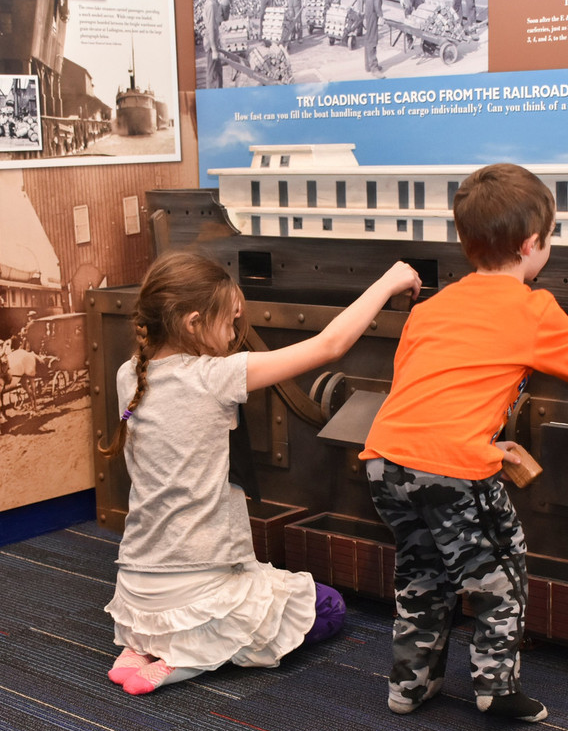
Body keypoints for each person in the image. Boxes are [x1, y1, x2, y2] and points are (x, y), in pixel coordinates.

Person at [360, 163, 568, 722]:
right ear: (533, 244)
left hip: (385, 460)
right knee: (500, 573)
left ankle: (409, 687)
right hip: (453, 469)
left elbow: (421, 387)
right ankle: (495, 689)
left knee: (422, 571)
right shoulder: (532, 308)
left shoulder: (431, 307)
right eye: (550, 237)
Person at [101, 251, 421, 695]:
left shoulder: (127, 376)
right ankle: (183, 661)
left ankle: (139, 645)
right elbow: (329, 346)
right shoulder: (214, 376)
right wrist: (389, 281)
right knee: (328, 608)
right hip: (197, 578)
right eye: (231, 323)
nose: (235, 335)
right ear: (193, 323)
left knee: (252, 596)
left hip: (137, 583)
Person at [202, 0, 233, 89]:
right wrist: (214, 49)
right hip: (211, 44)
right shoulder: (210, 5)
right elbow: (210, 28)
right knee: (212, 75)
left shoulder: (213, 2)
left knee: (218, 73)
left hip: (214, 42)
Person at [359, 0, 384, 76]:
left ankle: (368, 65)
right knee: (373, 37)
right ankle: (374, 67)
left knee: (369, 35)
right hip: (373, 6)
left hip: (369, 4)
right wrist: (380, 14)